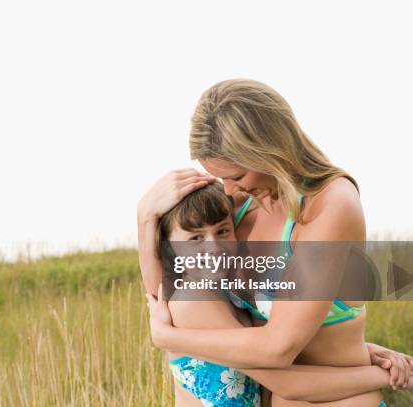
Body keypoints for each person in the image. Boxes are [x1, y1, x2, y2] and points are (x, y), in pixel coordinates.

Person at [138, 79, 413, 406]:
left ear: (268, 151)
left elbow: (279, 347)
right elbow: (177, 294)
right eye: (221, 177)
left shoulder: (330, 205)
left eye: (236, 176)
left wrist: (171, 338)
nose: (227, 190)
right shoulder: (241, 206)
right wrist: (145, 220)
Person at [148, 182, 410, 406]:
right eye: (195, 239)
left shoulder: (226, 291)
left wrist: (368, 351)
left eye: (223, 231)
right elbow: (286, 381)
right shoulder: (193, 303)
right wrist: (386, 375)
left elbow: (272, 338)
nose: (214, 247)